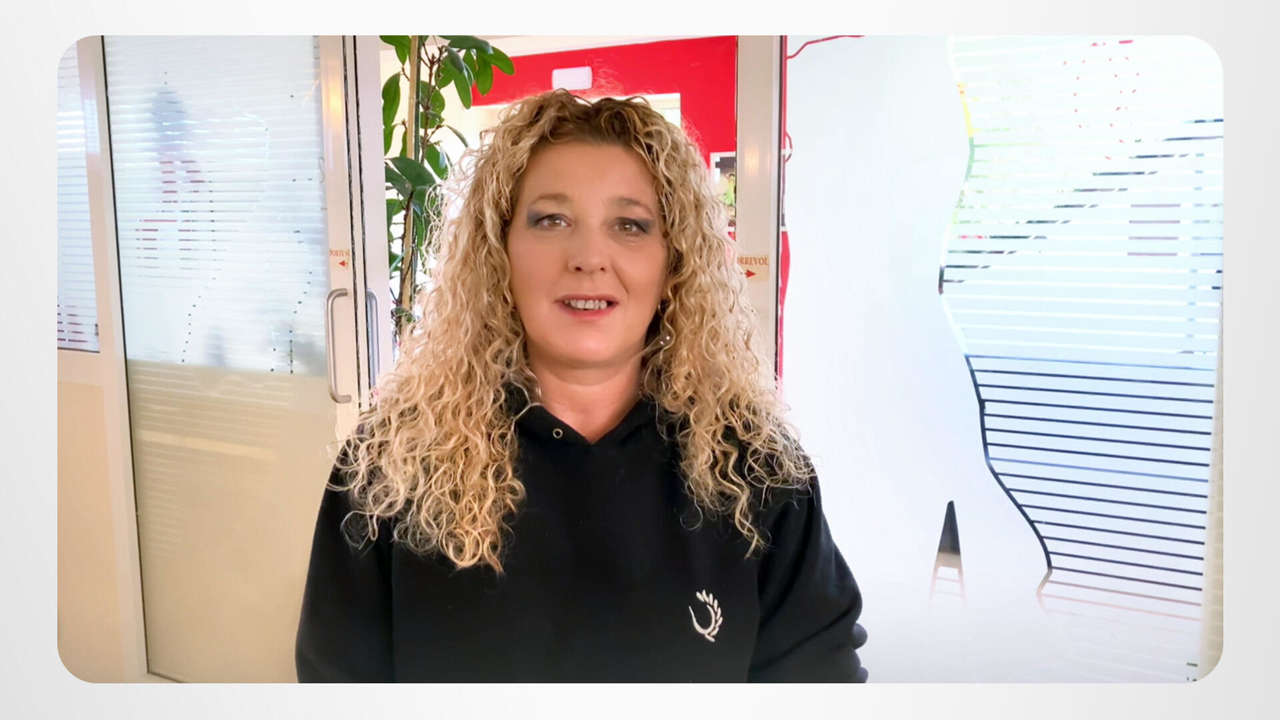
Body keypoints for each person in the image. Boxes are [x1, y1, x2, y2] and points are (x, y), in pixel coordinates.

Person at [294, 89, 868, 682]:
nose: (590, 257)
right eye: (552, 220)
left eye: (630, 225)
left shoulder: (757, 472)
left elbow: (820, 681)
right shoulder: (392, 467)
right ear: (499, 252)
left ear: (673, 263)